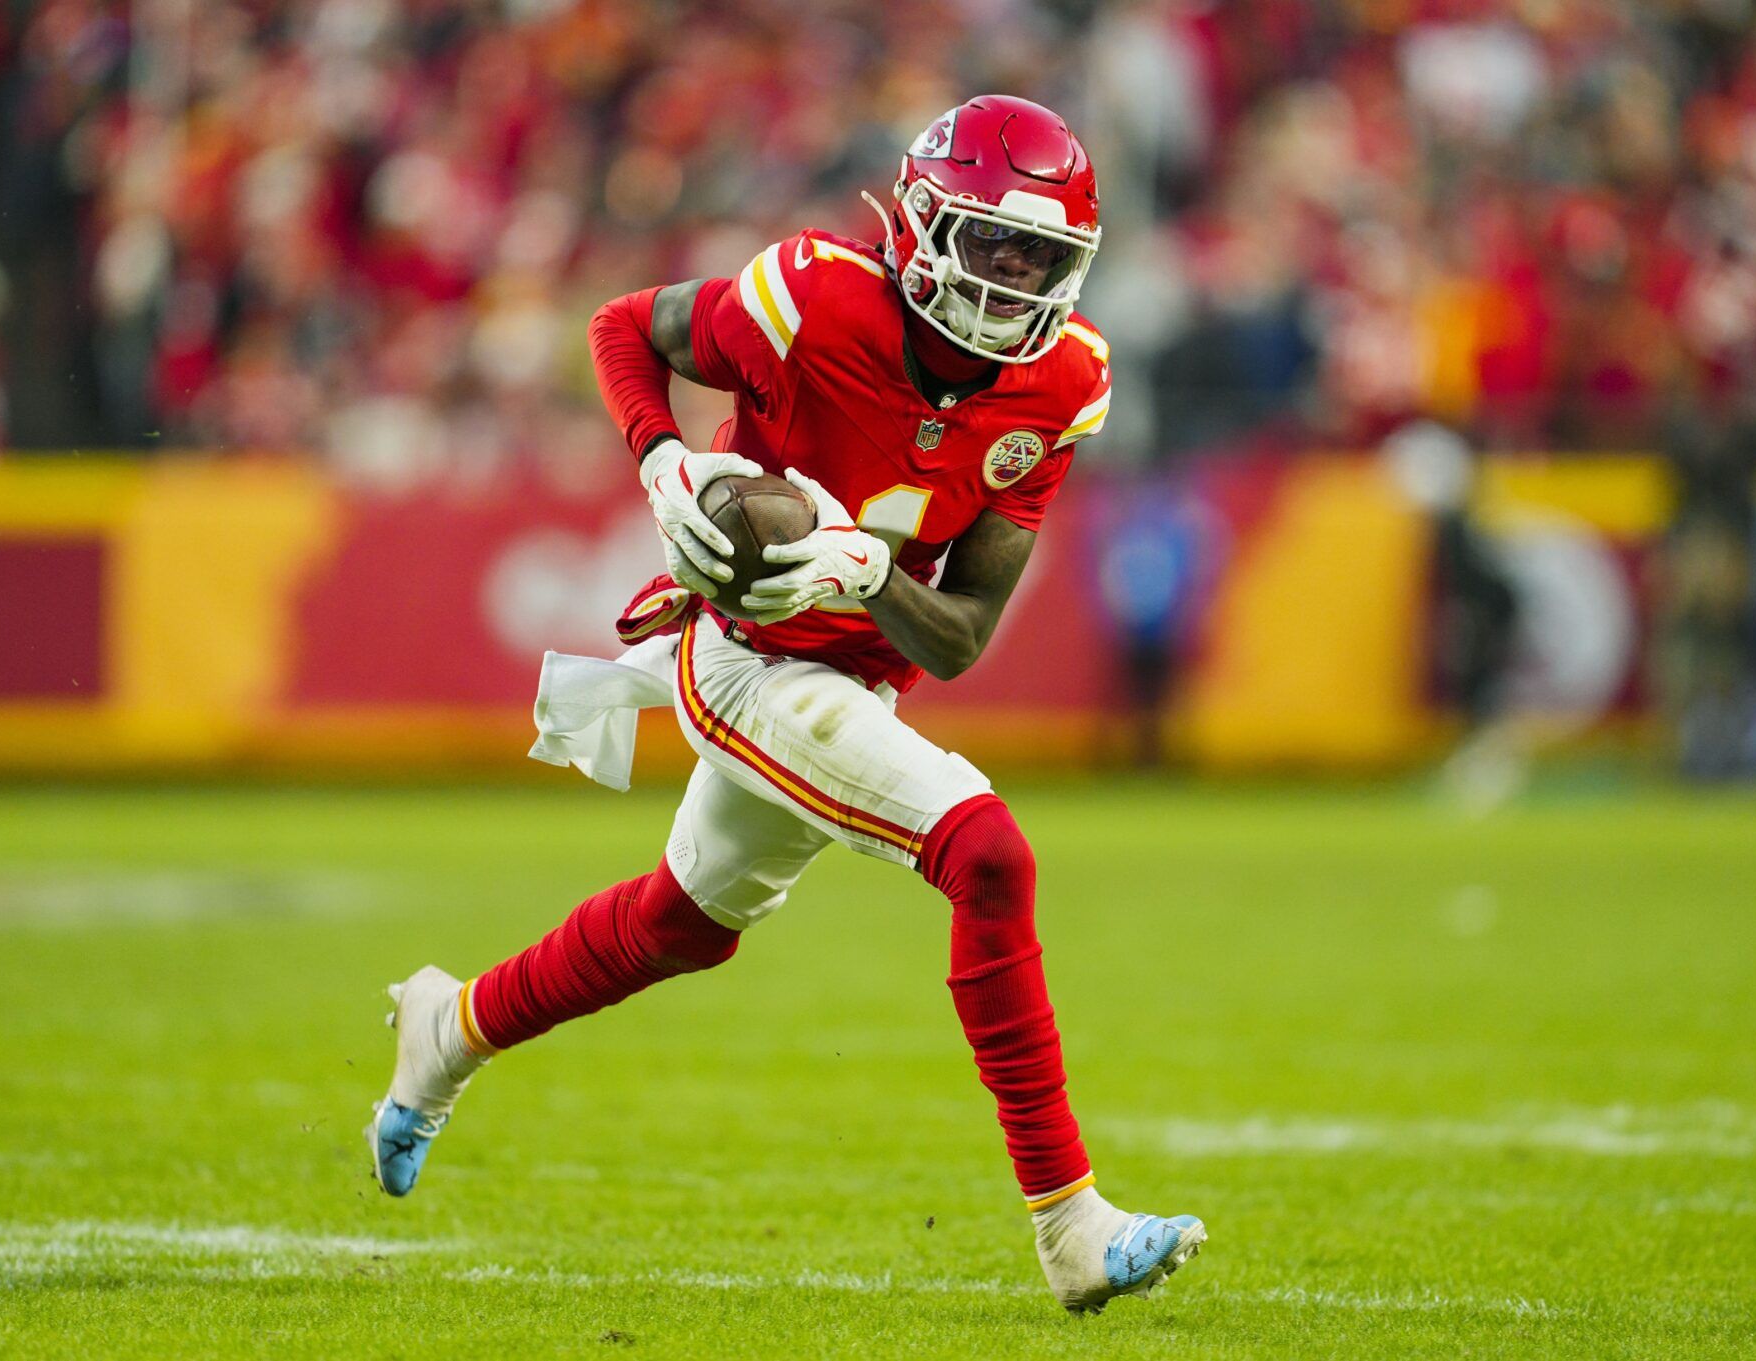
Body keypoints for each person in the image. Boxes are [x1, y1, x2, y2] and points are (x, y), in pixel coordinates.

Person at [365, 95, 1206, 1313]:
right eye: (993, 245)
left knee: (683, 924)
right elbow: (622, 327)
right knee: (988, 854)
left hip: (854, 674)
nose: (1017, 280)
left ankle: (448, 1028)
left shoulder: (1062, 385)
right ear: (919, 227)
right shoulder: (812, 297)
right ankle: (1071, 1224)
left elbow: (959, 636)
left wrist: (869, 570)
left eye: (1043, 258)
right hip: (748, 658)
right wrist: (663, 457)